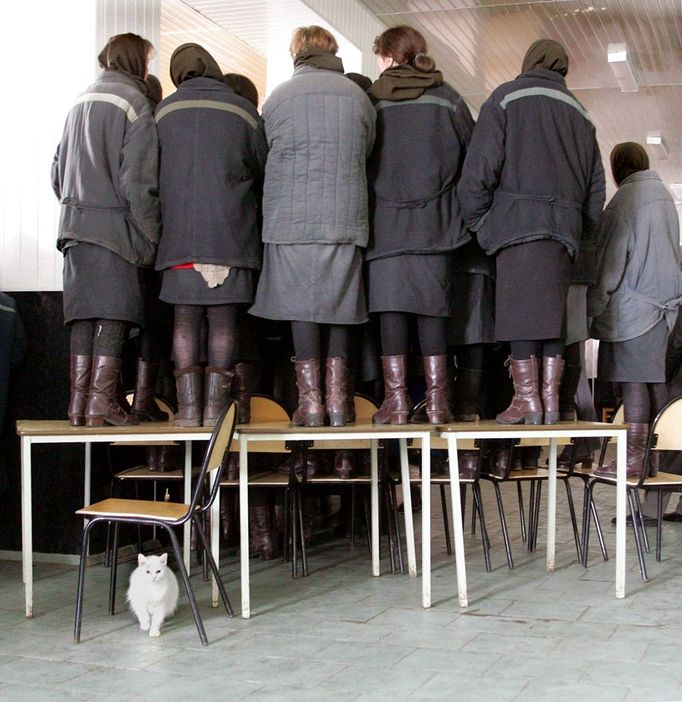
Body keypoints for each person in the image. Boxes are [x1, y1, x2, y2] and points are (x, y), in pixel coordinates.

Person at [458, 38, 605, 425]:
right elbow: (595, 191)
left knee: (521, 316)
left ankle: (526, 401)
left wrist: (485, 227)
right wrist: (577, 232)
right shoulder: (581, 113)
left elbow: (476, 175)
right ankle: (549, 401)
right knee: (551, 319)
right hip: (562, 233)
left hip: (516, 227)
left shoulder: (506, 99)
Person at [250, 26, 376, 427]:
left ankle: (311, 403)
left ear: (297, 52)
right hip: (344, 216)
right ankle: (339, 404)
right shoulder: (357, 97)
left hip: (290, 221)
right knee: (338, 308)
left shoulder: (279, 99)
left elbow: (260, 154)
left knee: (302, 309)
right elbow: (368, 149)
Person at [155, 44, 267, 427]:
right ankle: (218, 410)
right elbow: (264, 170)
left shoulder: (163, 112)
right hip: (230, 235)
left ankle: (188, 411)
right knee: (223, 322)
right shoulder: (243, 111)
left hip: (179, 236)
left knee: (184, 321)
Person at [366, 25, 474, 425]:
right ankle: (438, 403)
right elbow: (474, 158)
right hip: (436, 228)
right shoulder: (448, 99)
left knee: (391, 314)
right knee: (433, 317)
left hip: (385, 227)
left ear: (388, 56)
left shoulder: (371, 101)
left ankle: (395, 403)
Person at [52, 33, 160, 427]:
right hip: (115, 227)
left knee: (83, 316)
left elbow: (57, 170)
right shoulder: (133, 104)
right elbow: (139, 182)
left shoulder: (79, 100)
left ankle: (79, 404)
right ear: (137, 61)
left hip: (74, 228)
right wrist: (150, 236)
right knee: (114, 312)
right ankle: (102, 403)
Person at [589, 142, 682, 477]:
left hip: (632, 311)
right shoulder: (663, 199)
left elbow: (608, 267)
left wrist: (592, 309)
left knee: (633, 384)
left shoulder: (624, 203)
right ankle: (652, 461)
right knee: (656, 386)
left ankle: (634, 459)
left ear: (616, 170)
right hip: (665, 313)